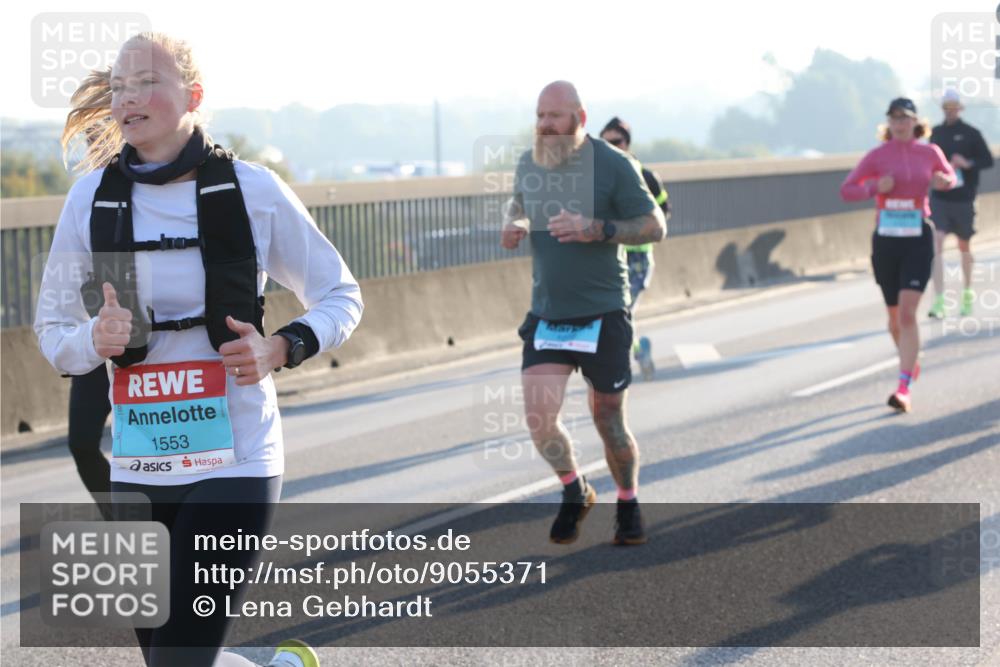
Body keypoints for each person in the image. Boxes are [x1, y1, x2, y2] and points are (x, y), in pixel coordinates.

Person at [34, 32, 363, 667]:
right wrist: (92, 340)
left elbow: (341, 294)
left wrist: (281, 347)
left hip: (236, 461)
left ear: (194, 95)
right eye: (119, 87)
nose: (128, 98)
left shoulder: (252, 190)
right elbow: (52, 333)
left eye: (146, 82)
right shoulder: (90, 199)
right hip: (138, 469)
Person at [500, 81, 666, 545]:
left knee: (608, 419)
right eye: (540, 115)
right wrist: (514, 222)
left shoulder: (614, 165)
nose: (545, 125)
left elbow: (655, 226)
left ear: (580, 118)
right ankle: (575, 489)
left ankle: (628, 501)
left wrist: (597, 229)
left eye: (554, 116)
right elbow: (519, 203)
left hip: (603, 313)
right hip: (549, 314)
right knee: (539, 419)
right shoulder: (529, 162)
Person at [840, 98, 955, 413]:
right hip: (887, 240)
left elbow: (949, 176)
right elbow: (847, 190)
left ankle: (904, 387)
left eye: (905, 118)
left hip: (917, 237)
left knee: (907, 314)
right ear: (888, 124)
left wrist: (944, 181)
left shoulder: (929, 152)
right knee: (894, 319)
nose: (900, 124)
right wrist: (875, 187)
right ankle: (910, 362)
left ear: (916, 122)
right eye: (894, 119)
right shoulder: (877, 156)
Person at [598, 117, 671, 380]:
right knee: (616, 315)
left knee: (623, 313)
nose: (612, 147)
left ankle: (620, 370)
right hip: (610, 258)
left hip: (638, 258)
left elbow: (663, 214)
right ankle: (639, 350)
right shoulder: (599, 178)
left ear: (627, 143)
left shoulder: (646, 177)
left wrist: (637, 224)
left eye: (616, 142)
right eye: (605, 143)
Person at [927, 90, 995, 318]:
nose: (950, 111)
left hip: (964, 198)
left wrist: (967, 163)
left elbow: (987, 160)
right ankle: (939, 300)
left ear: (959, 108)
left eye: (953, 107)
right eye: (946, 107)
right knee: (937, 243)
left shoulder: (971, 133)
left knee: (963, 246)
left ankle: (967, 294)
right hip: (940, 198)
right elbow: (927, 163)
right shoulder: (936, 133)